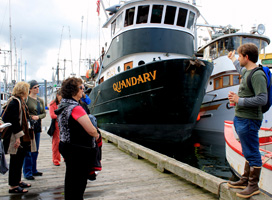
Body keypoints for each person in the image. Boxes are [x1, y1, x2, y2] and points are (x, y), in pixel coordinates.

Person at [227, 43, 267, 198]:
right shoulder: (247, 71)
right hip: (242, 118)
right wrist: (232, 59)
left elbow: (262, 99)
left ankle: (253, 186)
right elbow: (240, 68)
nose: (238, 58)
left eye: (239, 55)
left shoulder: (257, 75)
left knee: (252, 152)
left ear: (246, 57)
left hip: (250, 120)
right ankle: (244, 180)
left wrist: (239, 100)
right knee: (247, 150)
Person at [54, 77, 100, 200]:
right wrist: (97, 134)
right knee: (79, 182)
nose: (83, 90)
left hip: (66, 145)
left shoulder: (63, 105)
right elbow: (91, 130)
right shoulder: (76, 108)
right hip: (78, 150)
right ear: (74, 90)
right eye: (81, 87)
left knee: (70, 178)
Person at [2, 82, 36, 193]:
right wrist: (17, 138)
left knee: (20, 159)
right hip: (16, 136)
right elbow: (14, 121)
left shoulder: (19, 101)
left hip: (22, 135)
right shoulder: (15, 102)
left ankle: (18, 181)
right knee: (15, 160)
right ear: (23, 91)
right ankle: (13, 186)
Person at [23, 80, 46, 180]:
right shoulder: (26, 99)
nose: (37, 89)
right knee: (28, 150)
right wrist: (31, 117)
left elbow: (44, 113)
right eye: (35, 87)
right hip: (28, 127)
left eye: (38, 87)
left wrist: (38, 117)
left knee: (35, 149)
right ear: (30, 89)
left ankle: (34, 169)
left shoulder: (40, 100)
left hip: (37, 126)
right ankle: (27, 172)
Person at [49, 90, 62, 166]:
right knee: (56, 142)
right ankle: (55, 159)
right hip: (56, 125)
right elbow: (52, 115)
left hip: (64, 125)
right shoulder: (52, 104)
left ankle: (65, 156)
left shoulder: (63, 103)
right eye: (61, 96)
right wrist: (61, 116)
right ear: (57, 95)